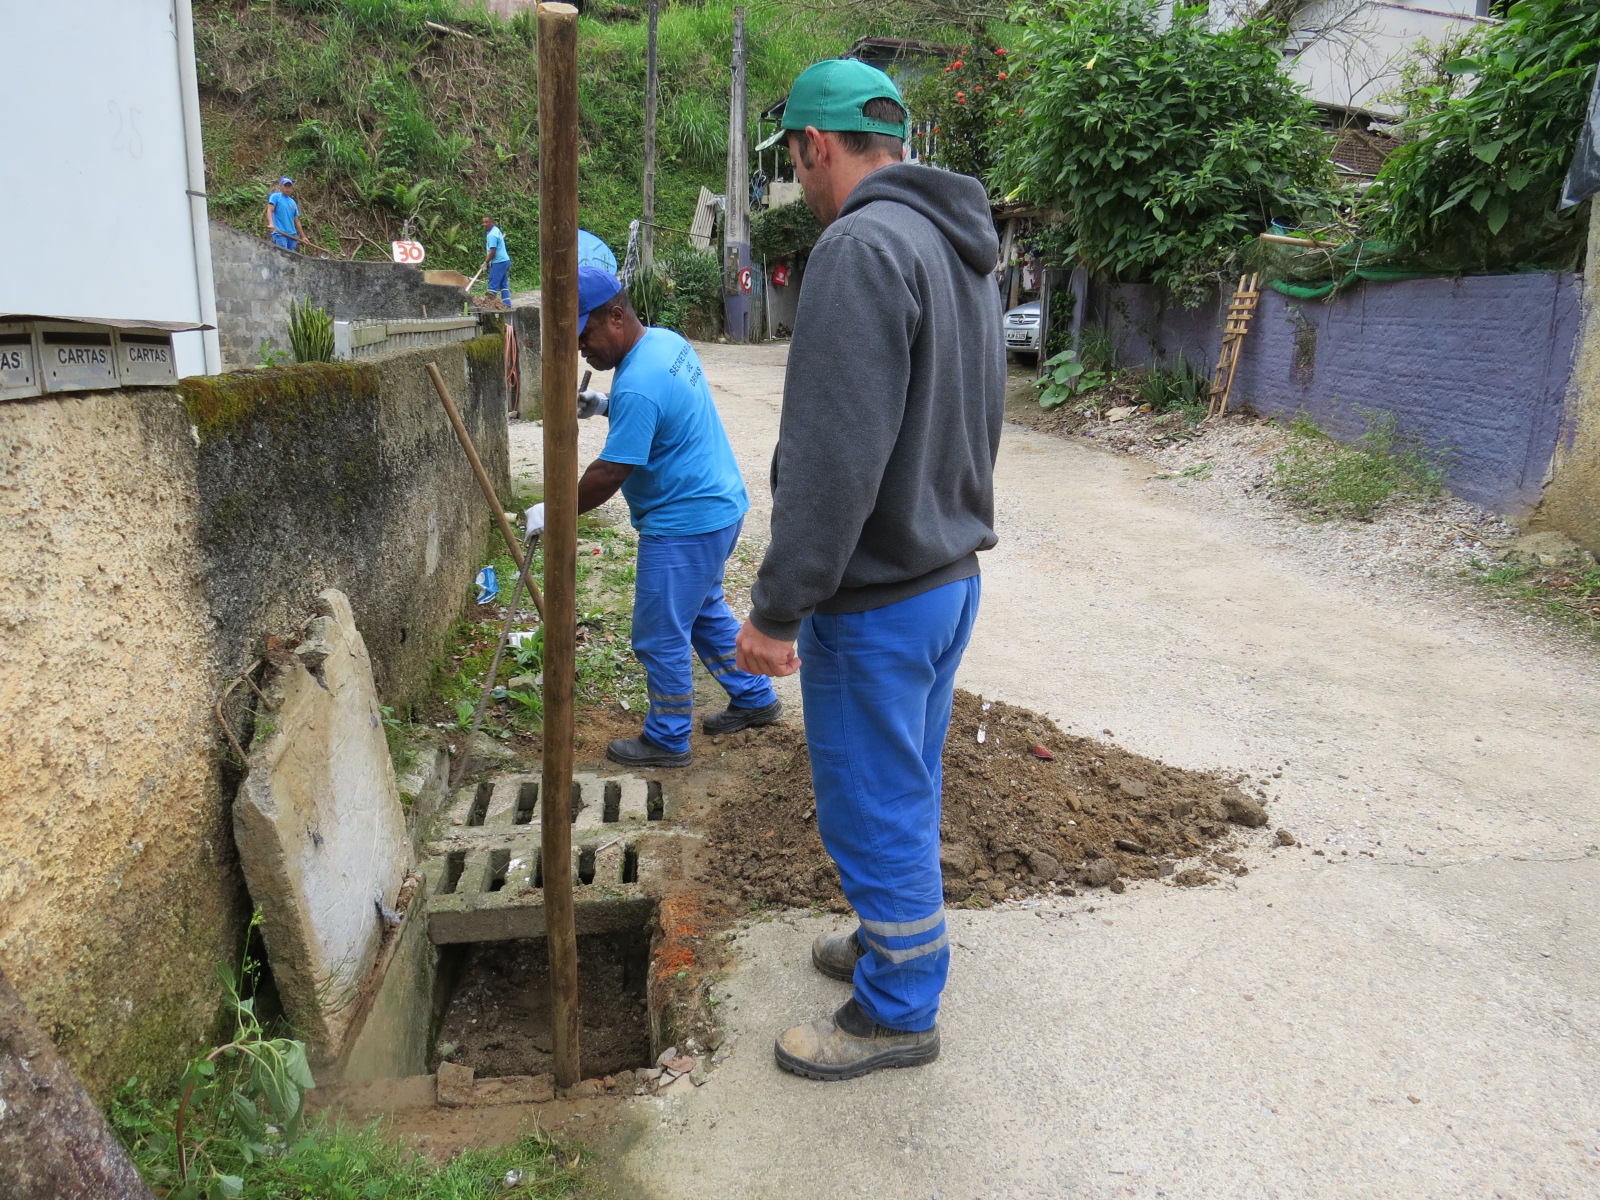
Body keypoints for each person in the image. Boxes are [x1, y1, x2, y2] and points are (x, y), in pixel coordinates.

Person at [737, 58, 1005, 1080]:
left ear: (813, 146)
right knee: (906, 779)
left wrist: (778, 606)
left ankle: (897, 1007)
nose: (798, 179)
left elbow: (832, 457)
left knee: (869, 799)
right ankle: (888, 935)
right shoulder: (956, 244)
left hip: (880, 596)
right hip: (948, 577)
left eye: (795, 159)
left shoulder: (859, 247)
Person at [524, 266, 781, 768]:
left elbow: (609, 472)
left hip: (684, 523)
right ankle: (753, 698)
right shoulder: (664, 343)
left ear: (615, 315)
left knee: (659, 634)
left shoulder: (637, 382)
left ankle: (667, 737)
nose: (581, 349)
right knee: (703, 610)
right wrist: (602, 403)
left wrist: (555, 512)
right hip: (719, 507)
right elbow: (667, 408)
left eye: (585, 335)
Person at [482, 216, 512, 306]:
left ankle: (489, 306)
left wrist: (485, 263)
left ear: (492, 222)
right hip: (506, 261)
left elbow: (493, 251)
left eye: (487, 222)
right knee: (503, 285)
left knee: (492, 286)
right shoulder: (496, 230)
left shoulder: (492, 235)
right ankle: (507, 304)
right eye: (483, 222)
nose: (484, 224)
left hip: (499, 262)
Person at [266, 177, 302, 251]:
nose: (287, 188)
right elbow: (270, 210)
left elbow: (297, 220)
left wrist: (303, 236)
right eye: (285, 186)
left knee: (292, 258)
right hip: (280, 233)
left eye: (289, 186)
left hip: (292, 235)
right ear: (281, 186)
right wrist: (271, 223)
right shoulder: (275, 197)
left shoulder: (293, 202)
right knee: (283, 256)